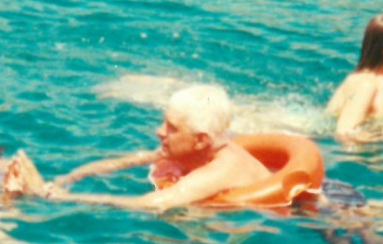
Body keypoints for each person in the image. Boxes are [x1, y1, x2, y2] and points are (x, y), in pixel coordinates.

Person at [46, 84, 272, 212]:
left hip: (285, 217)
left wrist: (64, 198)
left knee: (189, 219)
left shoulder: (220, 171)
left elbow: (152, 203)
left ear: (201, 141)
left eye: (172, 128)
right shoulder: (194, 149)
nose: (159, 131)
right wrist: (66, 179)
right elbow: (126, 161)